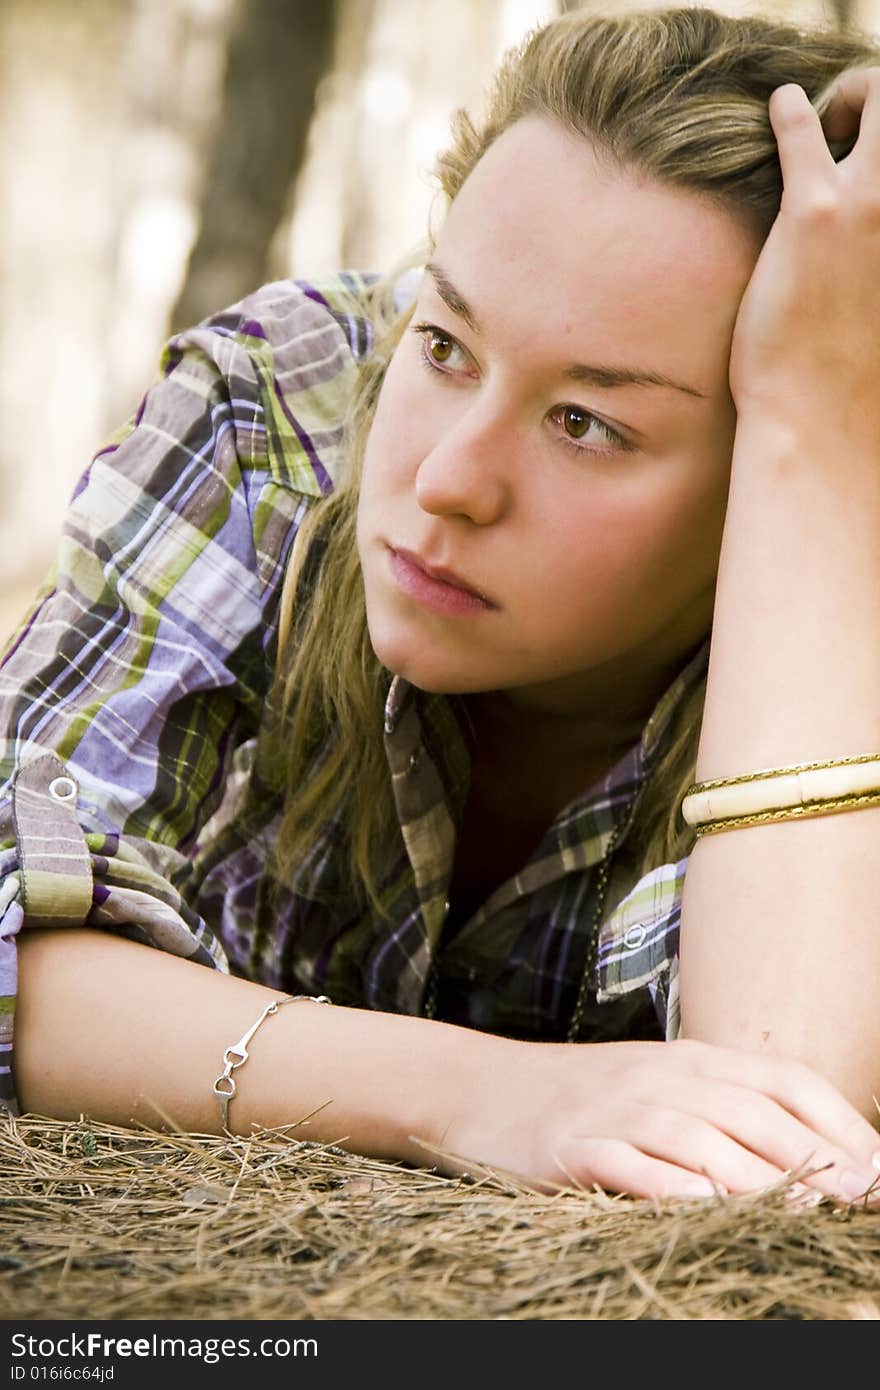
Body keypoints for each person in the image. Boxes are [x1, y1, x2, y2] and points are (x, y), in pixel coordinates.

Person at [2, 4, 880, 1204]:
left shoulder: (833, 531)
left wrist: (813, 446)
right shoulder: (277, 413)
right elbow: (16, 931)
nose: (445, 478)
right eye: (447, 345)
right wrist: (487, 1093)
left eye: (588, 423)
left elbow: (791, 1117)